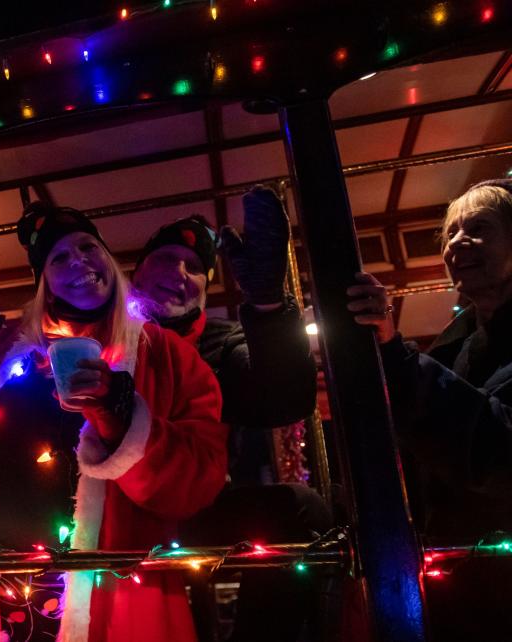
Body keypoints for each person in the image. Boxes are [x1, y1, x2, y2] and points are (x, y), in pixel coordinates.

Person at [0, 203, 228, 642]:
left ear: (111, 263)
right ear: (44, 281)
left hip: (113, 600)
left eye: (87, 246)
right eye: (59, 257)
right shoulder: (11, 347)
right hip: (2, 593)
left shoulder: (167, 355)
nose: (77, 260)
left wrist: (118, 412)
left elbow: (199, 480)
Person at [131, 187, 328, 642]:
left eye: (196, 268)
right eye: (167, 259)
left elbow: (284, 398)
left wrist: (268, 305)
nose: (181, 273)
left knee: (303, 510)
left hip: (194, 509)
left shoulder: (226, 340)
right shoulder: (109, 337)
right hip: (112, 504)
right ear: (136, 272)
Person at [348, 178, 512, 640]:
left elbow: (497, 451)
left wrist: (396, 355)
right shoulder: (456, 346)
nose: (459, 241)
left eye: (480, 227)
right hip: (460, 583)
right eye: (452, 232)